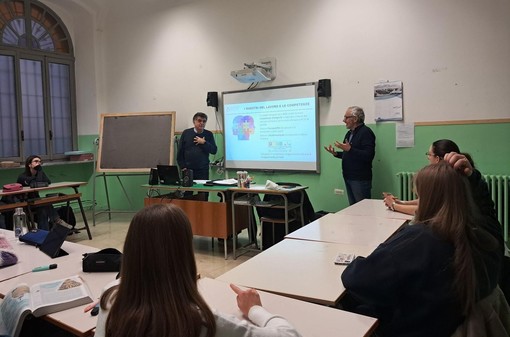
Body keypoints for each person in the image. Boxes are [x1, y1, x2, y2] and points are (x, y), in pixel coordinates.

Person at [340, 157, 504, 337]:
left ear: (427, 199)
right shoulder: (487, 238)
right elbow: (488, 210)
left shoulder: (418, 242)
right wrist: (473, 178)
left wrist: (383, 249)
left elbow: (356, 279)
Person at [95, 203, 302, 337]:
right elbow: (290, 335)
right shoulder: (202, 322)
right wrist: (255, 309)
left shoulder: (109, 299)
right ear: (184, 255)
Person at [382, 139, 474, 215]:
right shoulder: (456, 175)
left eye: (429, 154)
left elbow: (425, 210)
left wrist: (394, 205)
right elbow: (426, 202)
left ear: (437, 159)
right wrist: (401, 202)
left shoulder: (445, 179)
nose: (428, 158)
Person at [324, 106, 375, 205]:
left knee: (363, 209)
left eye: (346, 117)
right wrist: (336, 153)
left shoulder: (366, 132)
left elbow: (369, 155)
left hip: (360, 179)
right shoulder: (349, 133)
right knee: (353, 209)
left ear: (355, 119)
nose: (344, 120)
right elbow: (349, 154)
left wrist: (350, 149)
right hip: (348, 176)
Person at [16, 155, 64, 230]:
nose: (38, 163)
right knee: (44, 205)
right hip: (25, 202)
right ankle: (56, 220)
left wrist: (39, 172)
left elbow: (48, 181)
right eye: (36, 161)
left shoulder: (40, 173)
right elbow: (35, 184)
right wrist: (39, 171)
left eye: (40, 162)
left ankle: (45, 232)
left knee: (44, 206)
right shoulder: (22, 176)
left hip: (36, 201)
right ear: (29, 165)